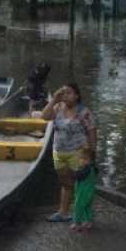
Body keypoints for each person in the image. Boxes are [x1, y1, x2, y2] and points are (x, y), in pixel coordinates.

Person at [42, 83, 97, 229]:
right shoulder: (58, 107)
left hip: (79, 153)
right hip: (59, 152)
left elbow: (92, 131)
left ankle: (84, 217)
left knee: (81, 186)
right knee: (66, 183)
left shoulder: (84, 112)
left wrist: (92, 153)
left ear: (77, 96)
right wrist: (54, 99)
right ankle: (63, 212)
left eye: (69, 93)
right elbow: (44, 117)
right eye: (64, 93)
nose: (66, 96)